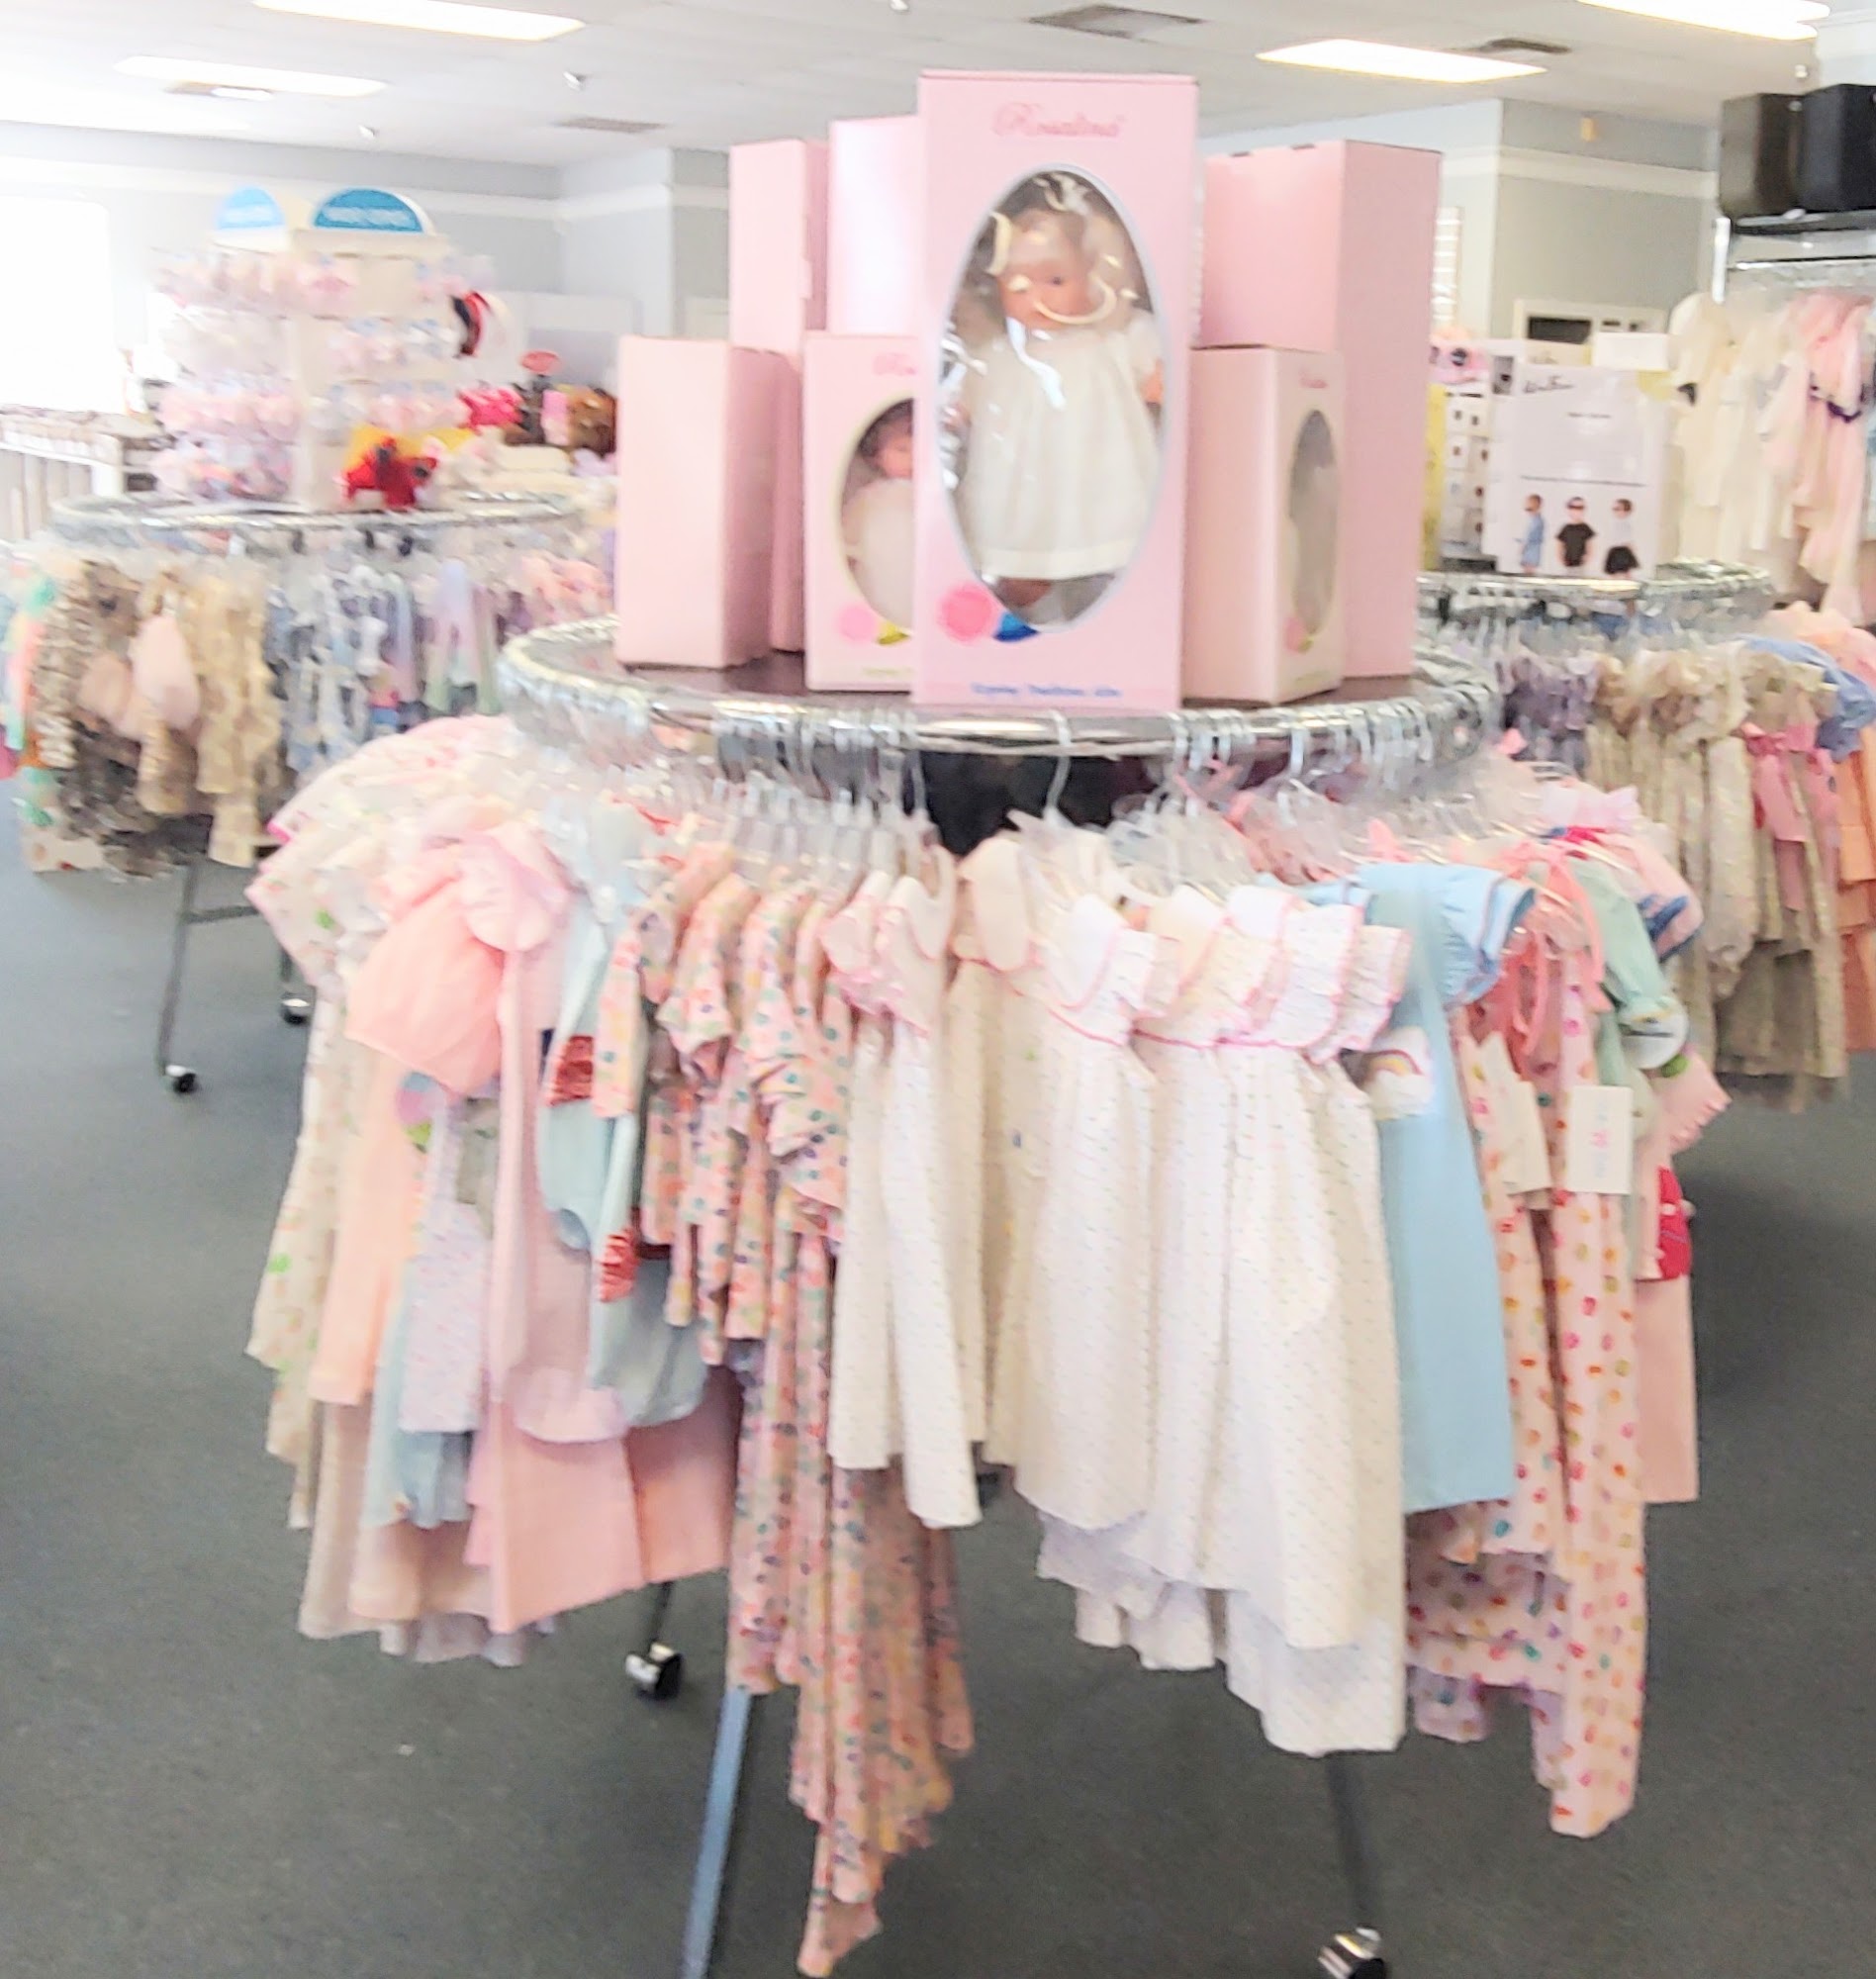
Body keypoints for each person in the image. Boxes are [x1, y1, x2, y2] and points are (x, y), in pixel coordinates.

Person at [948, 173, 1163, 622]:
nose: (1037, 297)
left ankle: (1104, 631)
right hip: (1021, 498)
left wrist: (1161, 382)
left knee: (1118, 576)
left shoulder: (1117, 341)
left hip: (1102, 491)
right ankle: (1040, 631)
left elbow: (1161, 376)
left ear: (1095, 277)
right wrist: (952, 413)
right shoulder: (994, 356)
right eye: (1019, 285)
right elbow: (957, 405)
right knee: (1020, 578)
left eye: (1056, 280)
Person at [841, 400, 915, 630]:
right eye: (902, 449)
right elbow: (848, 543)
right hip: (878, 579)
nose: (914, 459)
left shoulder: (937, 496)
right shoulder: (869, 497)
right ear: (877, 455)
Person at [1603, 497, 1640, 576]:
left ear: (1626, 511)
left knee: (1624, 572)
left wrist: (1631, 548)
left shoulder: (1626, 524)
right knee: (1615, 573)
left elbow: (1627, 539)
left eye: (1617, 509)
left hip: (1622, 551)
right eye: (1614, 509)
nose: (1615, 511)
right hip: (1615, 550)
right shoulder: (1614, 523)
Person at [1556, 496, 1595, 572]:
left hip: (1581, 564)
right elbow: (1559, 545)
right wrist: (1560, 558)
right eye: (1573, 507)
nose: (1576, 511)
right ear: (1568, 509)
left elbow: (1590, 545)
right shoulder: (1566, 528)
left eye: (1580, 508)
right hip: (1567, 563)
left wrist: (1587, 557)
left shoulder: (1586, 528)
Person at [1519, 493, 1545, 574]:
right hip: (1531, 553)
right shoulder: (1535, 520)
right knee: (1527, 571)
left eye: (1529, 509)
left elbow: (1529, 536)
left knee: (1528, 572)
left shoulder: (1537, 521)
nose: (1528, 512)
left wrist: (1523, 547)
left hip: (1531, 553)